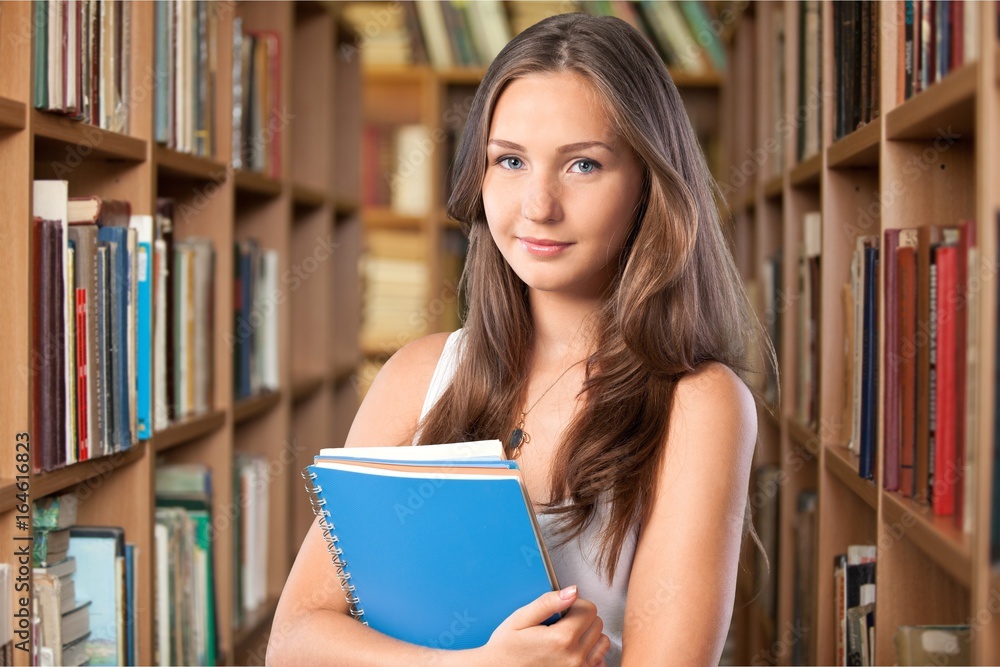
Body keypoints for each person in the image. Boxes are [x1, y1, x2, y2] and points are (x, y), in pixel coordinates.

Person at [268, 11, 768, 667]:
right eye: (509, 160)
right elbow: (293, 641)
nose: (537, 205)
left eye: (583, 164)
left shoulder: (699, 404)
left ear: (649, 184)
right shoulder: (418, 374)